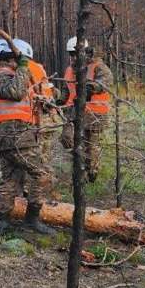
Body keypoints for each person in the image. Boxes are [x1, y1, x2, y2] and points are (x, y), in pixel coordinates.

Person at [0, 39, 53, 234]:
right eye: (21, 59)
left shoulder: (9, 77)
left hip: (11, 138)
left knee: (12, 179)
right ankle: (31, 219)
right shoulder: (2, 76)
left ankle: (1, 222)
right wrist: (24, 67)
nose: (23, 62)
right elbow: (16, 92)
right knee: (41, 174)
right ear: (11, 58)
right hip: (16, 137)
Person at [59, 37, 114, 182]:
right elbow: (66, 91)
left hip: (95, 113)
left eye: (75, 53)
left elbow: (106, 82)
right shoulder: (70, 70)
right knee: (68, 139)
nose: (73, 57)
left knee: (92, 146)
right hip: (73, 113)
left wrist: (89, 87)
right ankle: (79, 171)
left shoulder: (98, 66)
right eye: (71, 54)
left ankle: (92, 173)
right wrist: (58, 101)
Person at [13, 39, 61, 165]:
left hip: (39, 118)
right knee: (43, 155)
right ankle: (43, 179)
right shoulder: (38, 67)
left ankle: (43, 181)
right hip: (49, 116)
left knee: (37, 158)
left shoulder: (23, 69)